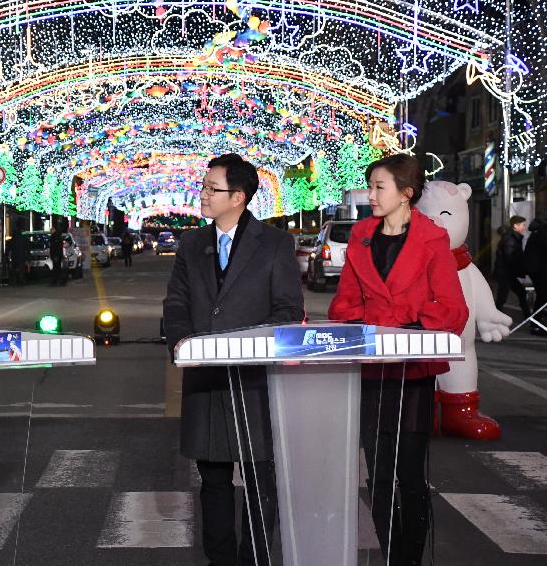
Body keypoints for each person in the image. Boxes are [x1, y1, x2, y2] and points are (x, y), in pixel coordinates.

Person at [163, 153, 304, 566]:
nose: (203, 195)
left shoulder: (275, 244)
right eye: (204, 186)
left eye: (212, 189)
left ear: (239, 197)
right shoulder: (192, 244)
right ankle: (219, 560)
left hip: (255, 381)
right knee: (213, 480)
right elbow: (177, 302)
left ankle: (256, 558)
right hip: (205, 379)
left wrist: (249, 344)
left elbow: (287, 310)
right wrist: (181, 343)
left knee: (260, 478)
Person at [329, 154, 469, 565]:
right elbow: (343, 306)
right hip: (373, 368)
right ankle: (391, 554)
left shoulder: (432, 239)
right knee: (378, 473)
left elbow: (453, 309)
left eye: (379, 187)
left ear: (407, 194)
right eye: (370, 186)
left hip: (413, 370)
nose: (370, 195)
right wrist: (382, 323)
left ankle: (409, 557)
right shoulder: (361, 235)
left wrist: (399, 325)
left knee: (409, 473)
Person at [494, 216, 530, 317]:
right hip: (506, 274)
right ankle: (496, 318)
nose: (524, 227)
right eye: (523, 225)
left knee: (518, 293)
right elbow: (511, 259)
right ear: (515, 226)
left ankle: (528, 316)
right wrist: (523, 269)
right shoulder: (510, 239)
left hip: (507, 273)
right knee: (503, 297)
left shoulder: (513, 237)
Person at [524, 218, 547, 335]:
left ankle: (537, 323)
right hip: (539, 270)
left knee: (542, 296)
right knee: (543, 296)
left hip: (536, 270)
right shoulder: (542, 232)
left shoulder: (537, 232)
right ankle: (536, 325)